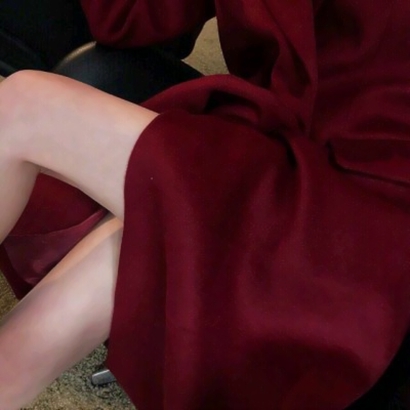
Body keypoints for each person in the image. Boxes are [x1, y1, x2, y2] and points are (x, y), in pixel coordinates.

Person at [1, 0, 410, 409]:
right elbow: (130, 18)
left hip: (368, 211)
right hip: (271, 156)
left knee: (25, 107)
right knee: (126, 248)